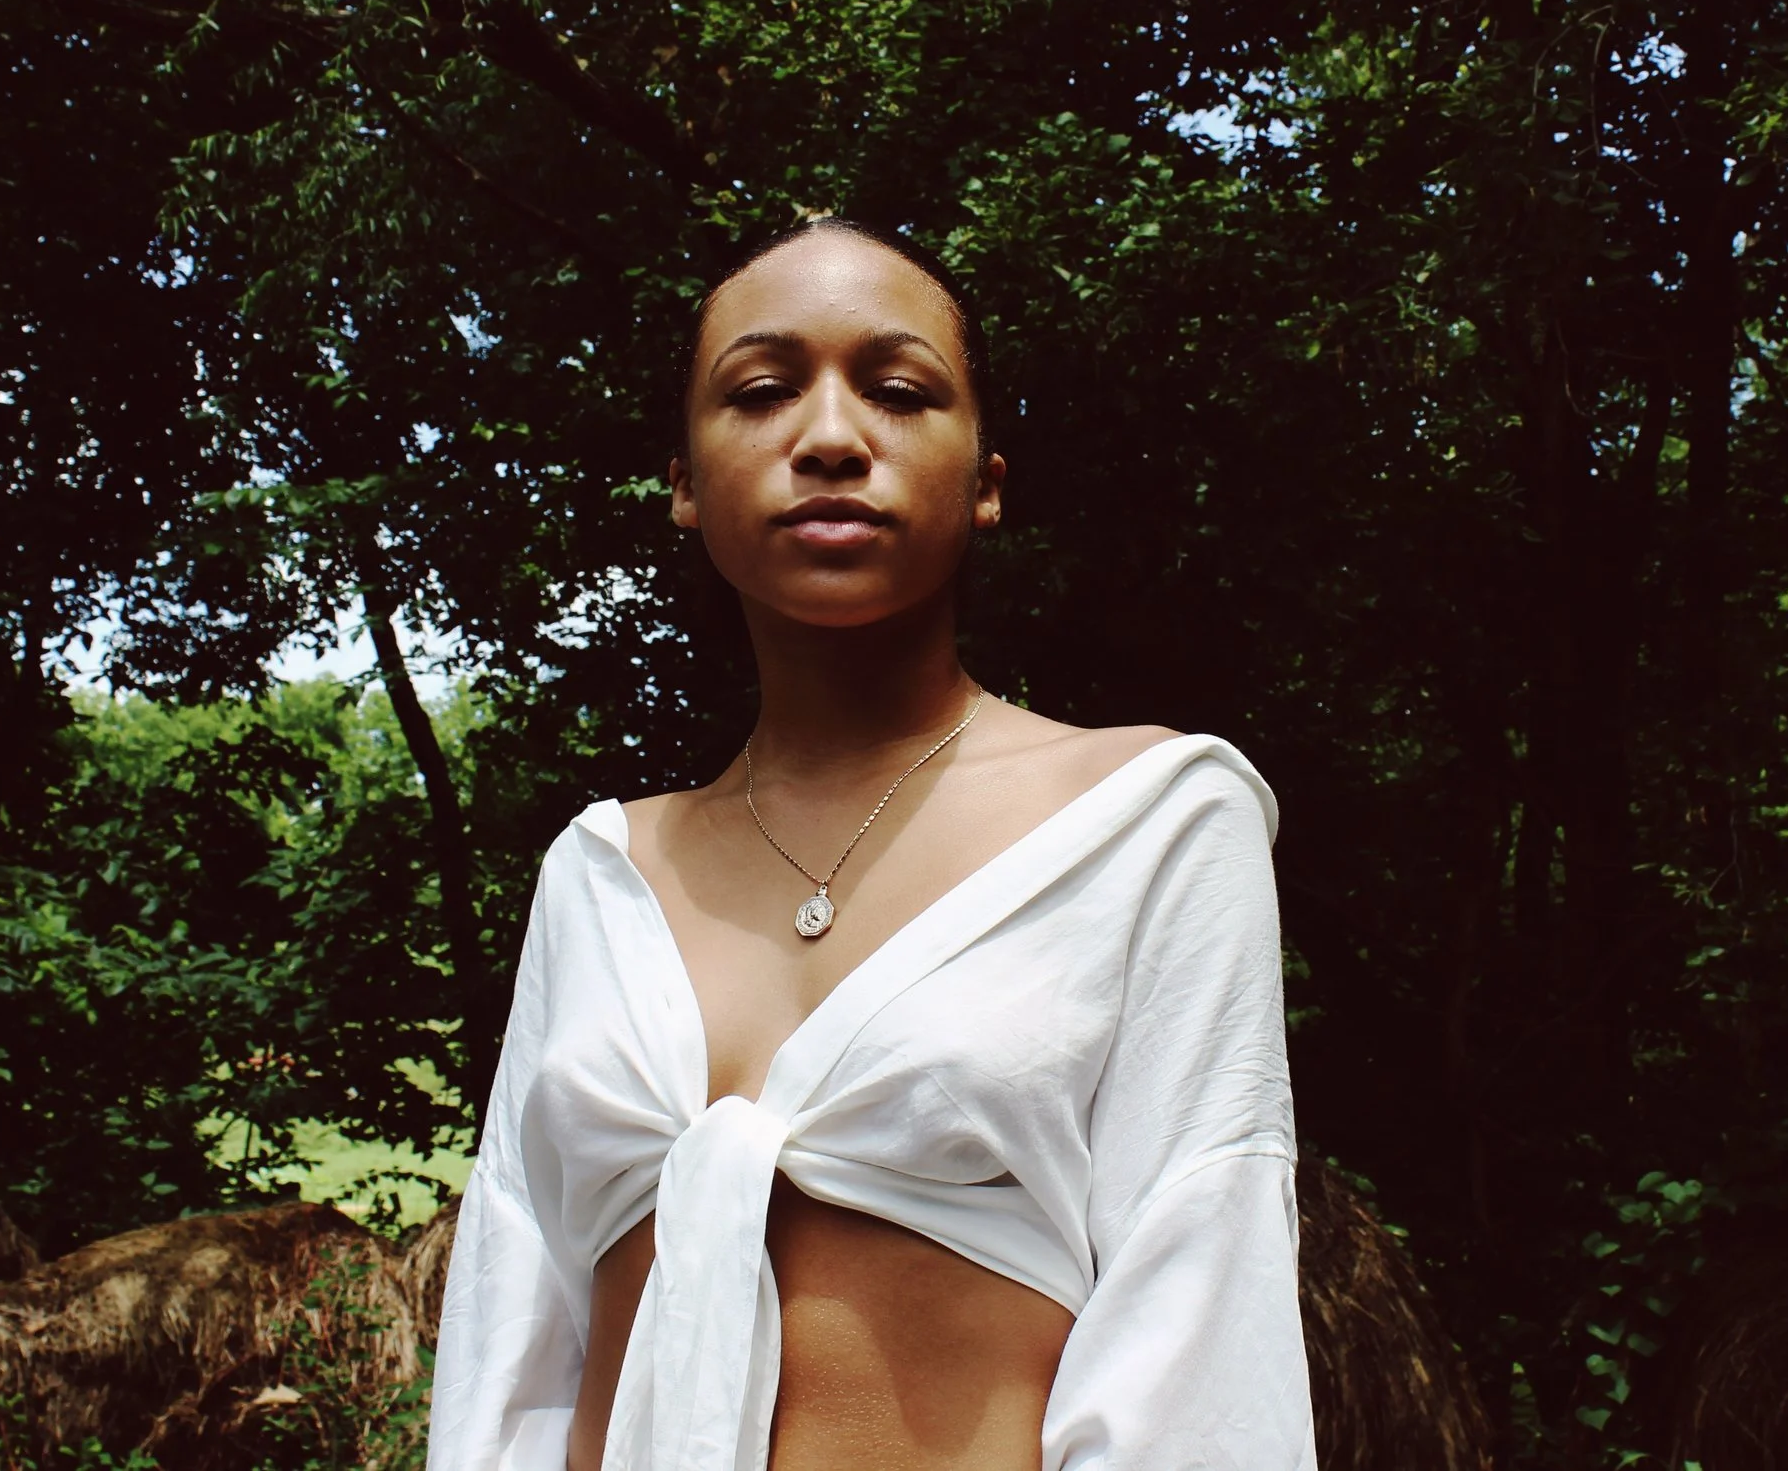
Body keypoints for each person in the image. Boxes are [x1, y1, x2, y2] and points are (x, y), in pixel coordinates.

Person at [426, 218, 1313, 1471]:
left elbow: (1199, 1307)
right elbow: (511, 1328)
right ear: (684, 482)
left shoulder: (1148, 820)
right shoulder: (600, 872)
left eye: (898, 391)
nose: (832, 437)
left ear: (987, 480)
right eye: (760, 391)